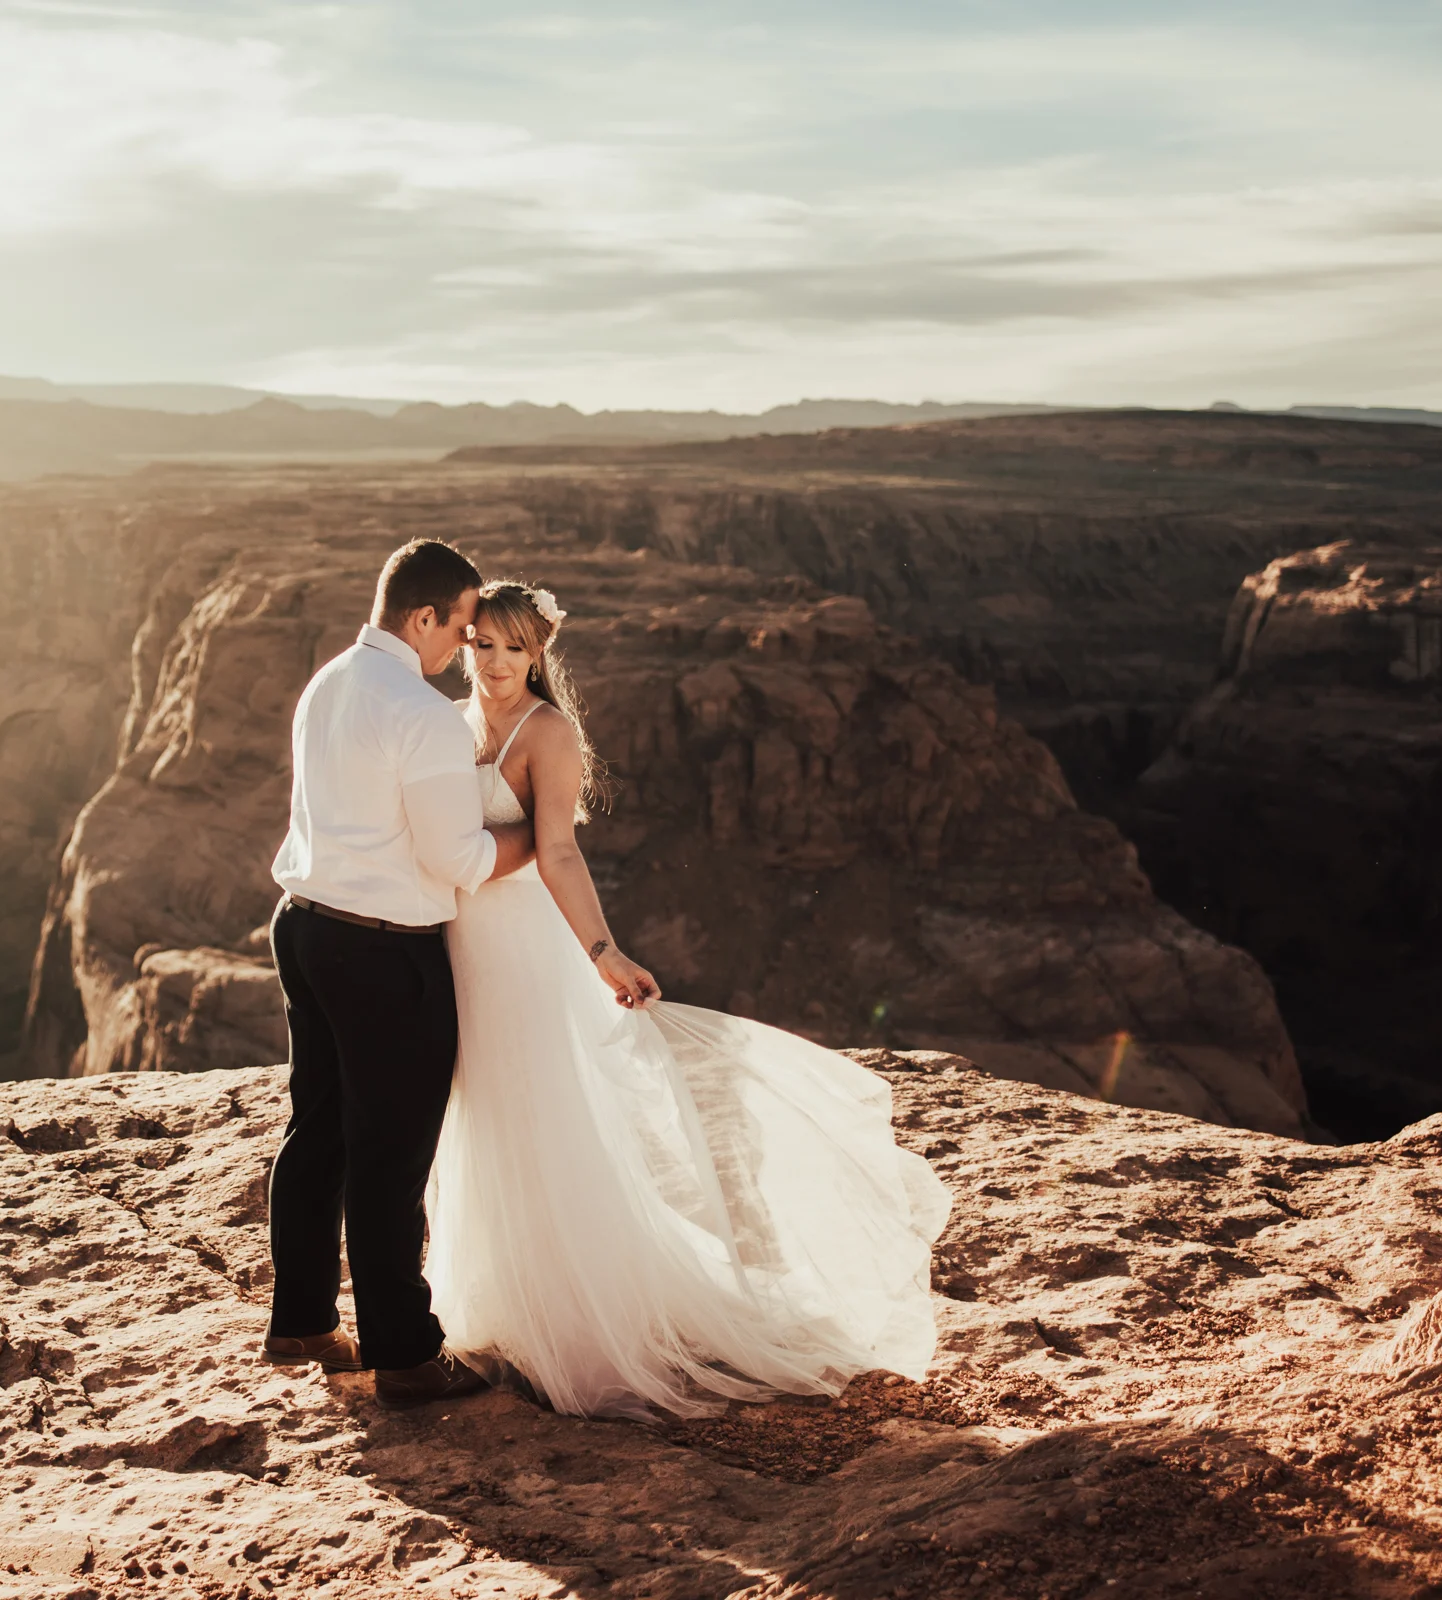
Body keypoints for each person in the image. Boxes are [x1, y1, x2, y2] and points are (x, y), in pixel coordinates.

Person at [425, 579, 952, 1419]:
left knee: (539, 1115)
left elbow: (559, 853)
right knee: (478, 1115)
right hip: (460, 946)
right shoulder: (449, 725)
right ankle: (495, 1309)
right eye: (482, 644)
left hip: (524, 953)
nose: (493, 663)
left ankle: (571, 1327)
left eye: (514, 648)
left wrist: (603, 952)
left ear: (539, 654)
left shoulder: (548, 733)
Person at [262, 538, 534, 1407]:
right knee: (392, 1153)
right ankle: (406, 1355)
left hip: (303, 930)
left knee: (321, 1131)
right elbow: (459, 858)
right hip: (383, 952)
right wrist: (538, 838)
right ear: (423, 618)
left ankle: (302, 1323)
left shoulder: (330, 680)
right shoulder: (418, 714)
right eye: (460, 629)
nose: (466, 649)